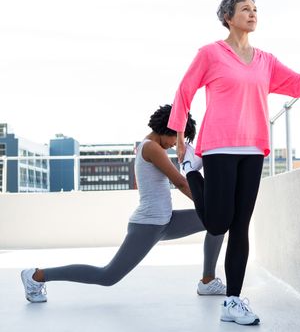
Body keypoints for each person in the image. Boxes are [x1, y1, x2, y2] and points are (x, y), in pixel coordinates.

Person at [167, 0, 300, 326]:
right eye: (245, 9)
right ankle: (191, 169)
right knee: (217, 223)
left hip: (253, 148)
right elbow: (184, 90)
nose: (252, 13)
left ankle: (233, 301)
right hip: (218, 146)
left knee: (240, 227)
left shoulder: (266, 61)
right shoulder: (210, 54)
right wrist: (179, 137)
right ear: (228, 17)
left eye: (255, 9)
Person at [21, 105, 226, 303]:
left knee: (217, 222)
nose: (176, 144)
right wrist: (209, 204)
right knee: (107, 276)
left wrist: (213, 208)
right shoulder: (152, 148)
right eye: (177, 137)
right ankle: (36, 276)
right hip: (148, 225)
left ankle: (207, 281)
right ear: (168, 128)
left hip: (167, 221)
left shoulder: (151, 146)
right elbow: (181, 182)